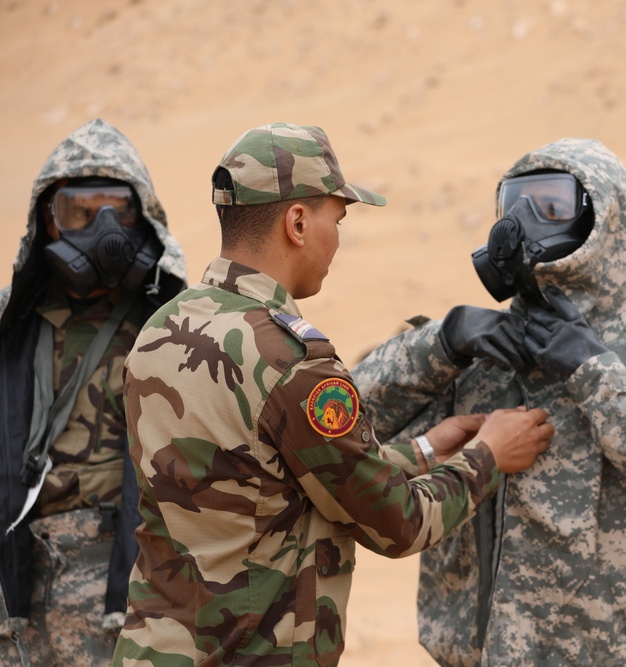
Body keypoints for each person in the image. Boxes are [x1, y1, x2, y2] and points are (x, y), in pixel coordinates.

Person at [111, 122, 553, 667]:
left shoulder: (163, 326)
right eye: (336, 219)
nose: (337, 239)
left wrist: (425, 450)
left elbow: (267, 475)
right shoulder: (292, 362)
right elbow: (397, 524)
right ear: (297, 222)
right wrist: (488, 456)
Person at [353, 138, 626, 666]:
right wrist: (437, 343)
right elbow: (342, 446)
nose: (526, 221)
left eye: (552, 206)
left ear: (604, 218)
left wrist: (596, 375)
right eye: (515, 204)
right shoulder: (478, 351)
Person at [0, 118, 188, 665]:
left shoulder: (178, 325)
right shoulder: (10, 325)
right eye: (80, 212)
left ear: (143, 217)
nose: (104, 228)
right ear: (47, 222)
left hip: (129, 587)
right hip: (17, 592)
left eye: (119, 211)